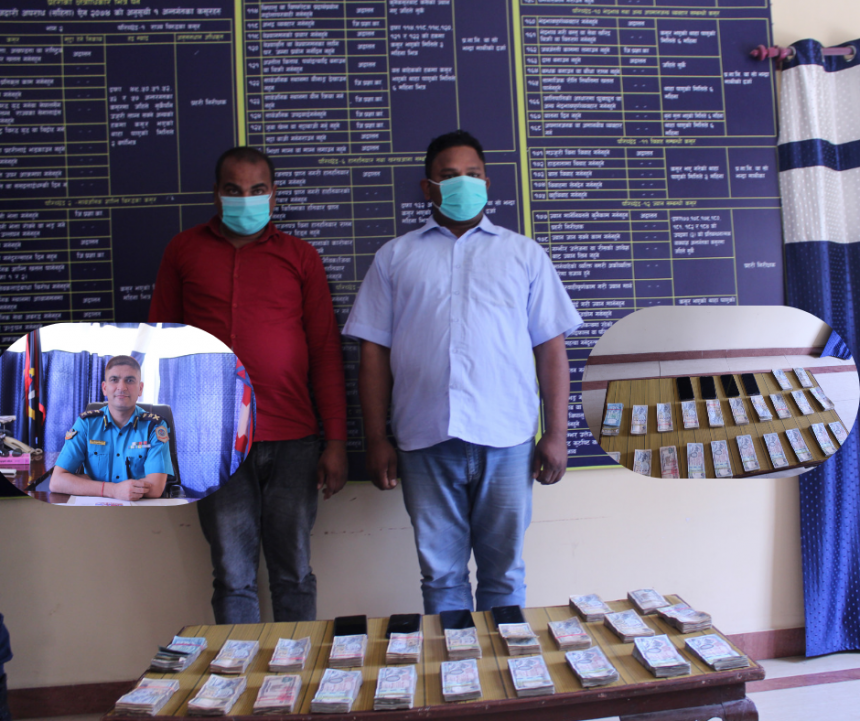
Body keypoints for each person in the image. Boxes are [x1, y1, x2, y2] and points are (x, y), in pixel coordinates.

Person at [344, 130, 582, 614]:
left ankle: (505, 662)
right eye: (449, 176)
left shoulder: (524, 254)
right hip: (424, 440)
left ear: (487, 184)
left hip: (507, 441)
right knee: (441, 578)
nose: (463, 184)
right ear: (428, 187)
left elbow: (551, 350)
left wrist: (557, 433)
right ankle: (456, 664)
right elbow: (373, 355)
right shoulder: (395, 257)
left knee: (505, 574)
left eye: (473, 175)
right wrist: (376, 438)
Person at [148, 146, 347, 623]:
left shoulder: (300, 257)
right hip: (211, 441)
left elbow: (324, 352)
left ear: (273, 195)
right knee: (233, 576)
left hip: (294, 438)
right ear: (216, 194)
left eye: (257, 190)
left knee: (293, 573)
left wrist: (337, 442)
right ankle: (240, 672)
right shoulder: (183, 250)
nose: (246, 199)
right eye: (234, 190)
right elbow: (159, 345)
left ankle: (297, 667)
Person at [50, 355, 172, 500]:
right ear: (104, 388)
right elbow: (57, 481)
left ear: (140, 389)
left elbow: (155, 488)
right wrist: (113, 490)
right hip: (95, 508)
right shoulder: (86, 424)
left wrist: (86, 484)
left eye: (129, 380)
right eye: (114, 380)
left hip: (138, 507)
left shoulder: (154, 427)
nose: (122, 387)